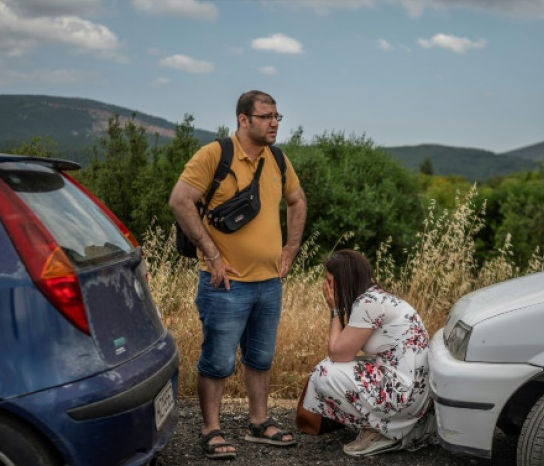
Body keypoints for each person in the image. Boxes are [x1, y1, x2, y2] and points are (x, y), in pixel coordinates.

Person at [169, 90, 307, 460]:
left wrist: (291, 249)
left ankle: (259, 423)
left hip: (268, 282)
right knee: (217, 361)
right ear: (244, 120)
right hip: (225, 284)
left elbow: (298, 201)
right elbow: (180, 200)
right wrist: (211, 254)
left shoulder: (277, 158)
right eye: (266, 117)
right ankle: (211, 429)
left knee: (260, 358)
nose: (275, 123)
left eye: (278, 116)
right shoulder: (215, 155)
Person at [303, 249, 434, 457]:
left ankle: (380, 432)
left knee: (325, 373)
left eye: (328, 281)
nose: (325, 288)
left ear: (343, 280)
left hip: (406, 394)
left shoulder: (368, 303)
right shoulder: (375, 297)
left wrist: (335, 309)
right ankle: (395, 427)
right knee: (333, 368)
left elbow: (338, 353)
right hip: (414, 390)